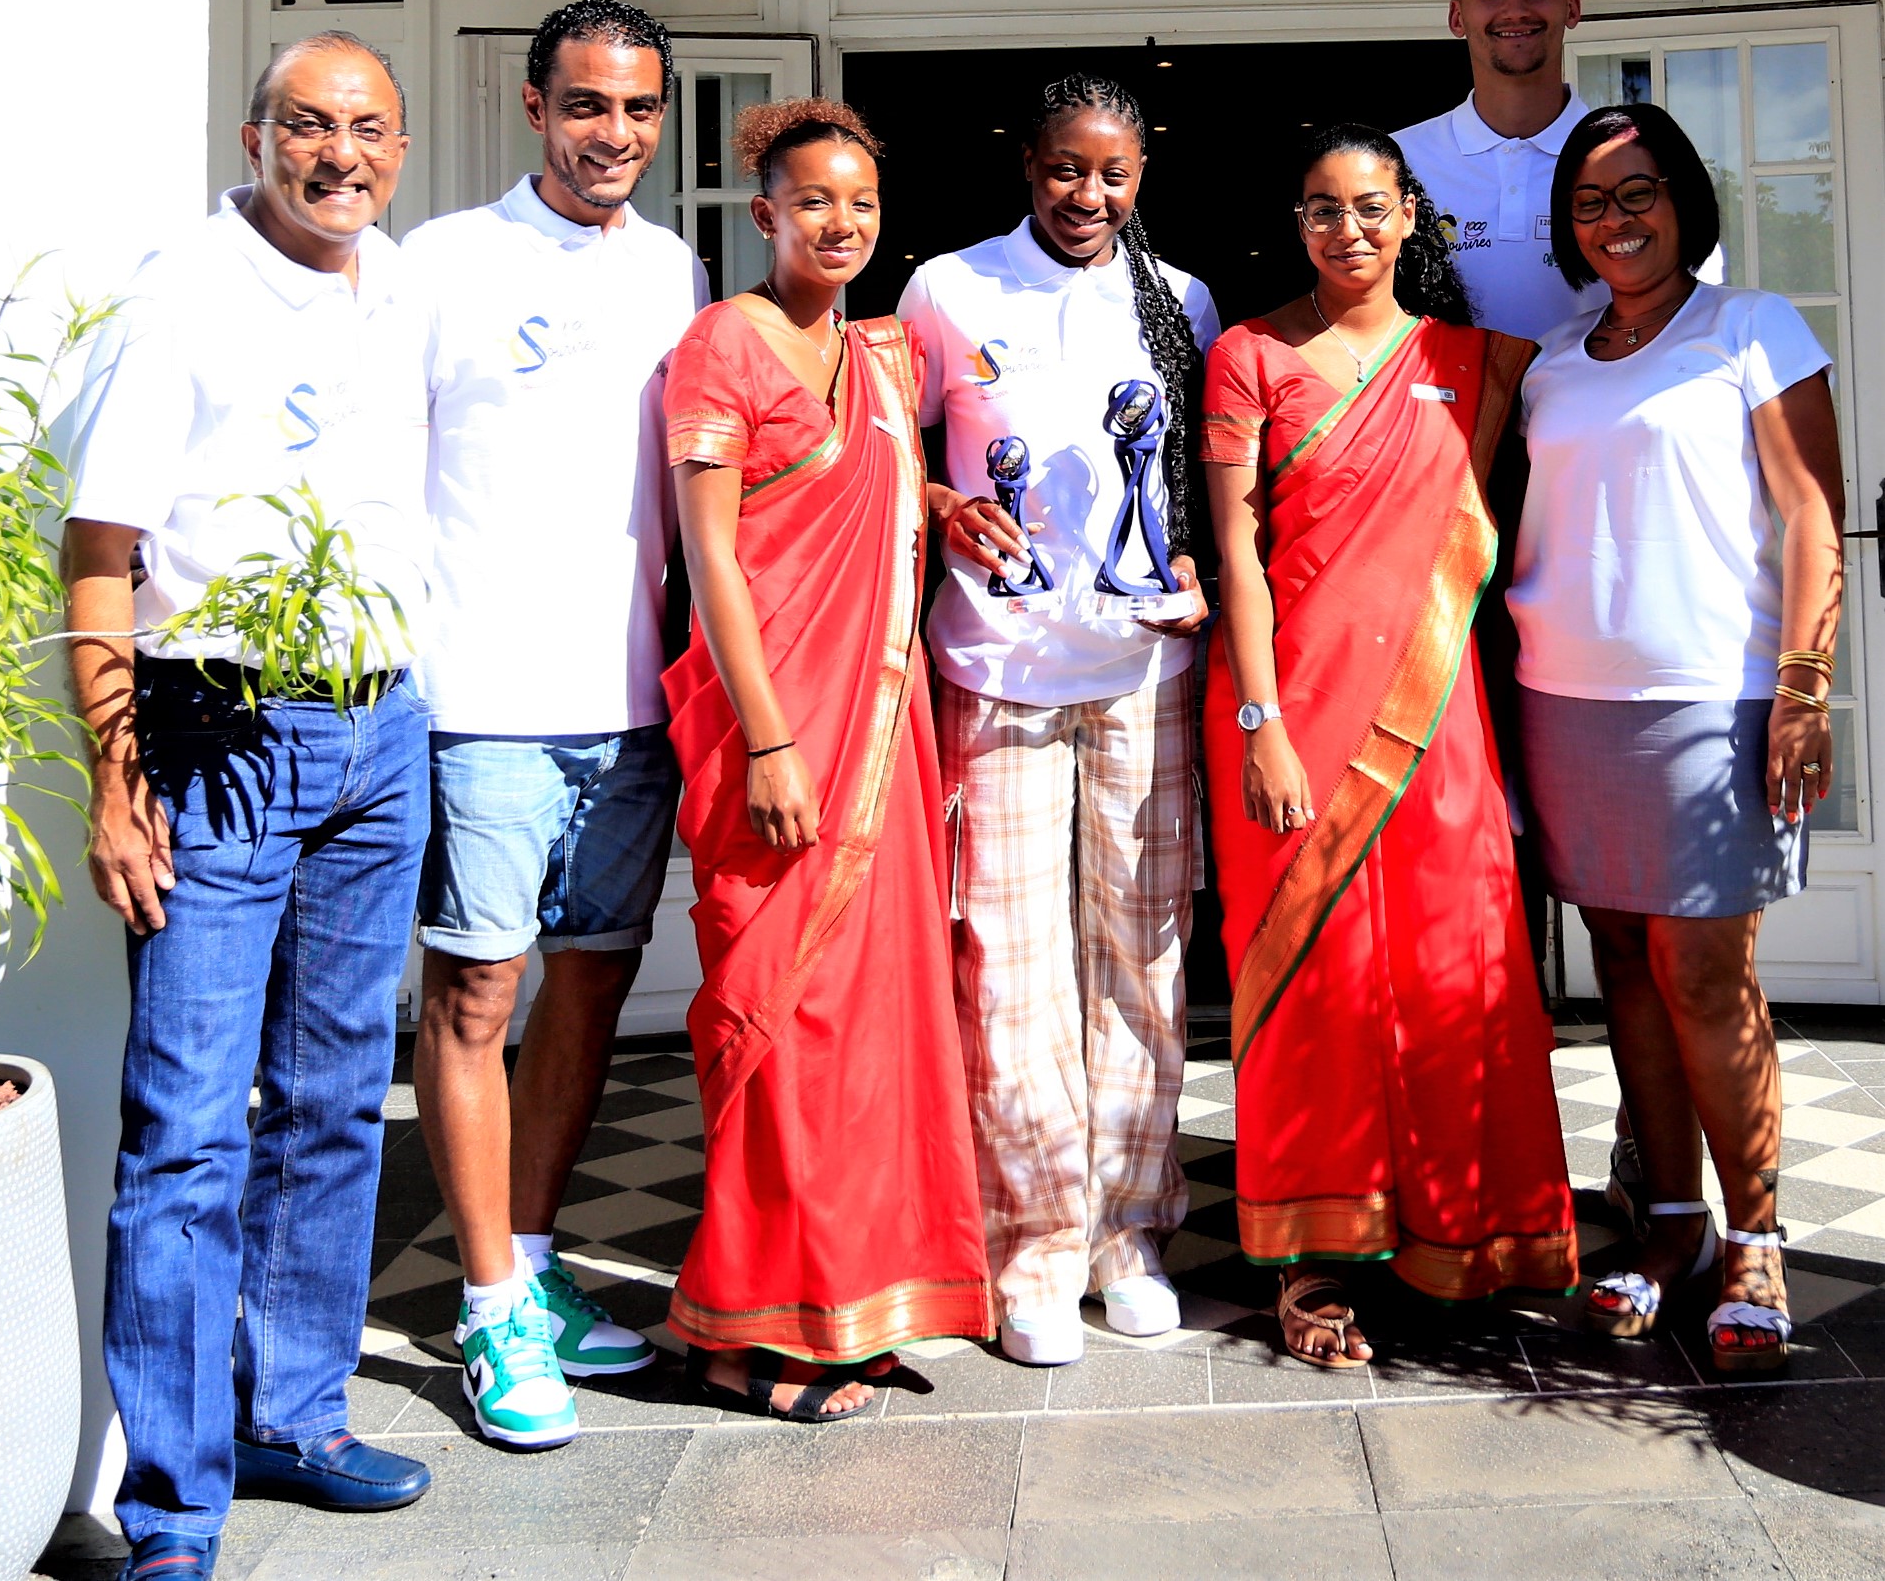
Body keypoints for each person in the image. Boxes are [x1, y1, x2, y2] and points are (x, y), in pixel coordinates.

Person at [64, 34, 433, 1581]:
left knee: (343, 1098)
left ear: (398, 150)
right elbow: (100, 548)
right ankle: (172, 1507)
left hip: (381, 724)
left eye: (366, 128)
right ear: (254, 133)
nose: (338, 153)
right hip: (220, 726)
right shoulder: (186, 295)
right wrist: (116, 776)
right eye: (309, 125)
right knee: (191, 1127)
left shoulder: (396, 279)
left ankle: (295, 1411)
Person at [1200, 125, 1577, 1368]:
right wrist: (1259, 723)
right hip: (1288, 716)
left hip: (1435, 722)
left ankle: (1461, 1235)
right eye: (1319, 208)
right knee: (1312, 988)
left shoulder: (1478, 367)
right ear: (1294, 221)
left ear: (1410, 215)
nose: (1344, 230)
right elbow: (1238, 556)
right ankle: (1314, 1255)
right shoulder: (1248, 356)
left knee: (1445, 968)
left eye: (1367, 207)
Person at [402, 0, 707, 1447]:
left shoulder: (673, 266)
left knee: (590, 982)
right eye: (588, 105)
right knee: (474, 995)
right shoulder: (445, 261)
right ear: (535, 109)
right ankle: (481, 1303)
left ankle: (529, 1258)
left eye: (639, 109)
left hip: (630, 697)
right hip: (483, 700)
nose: (616, 136)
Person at [661, 98, 994, 1420]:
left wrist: (949, 503)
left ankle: (846, 1298)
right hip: (779, 735)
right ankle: (741, 1331)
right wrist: (771, 738)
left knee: (874, 1028)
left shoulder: (887, 352)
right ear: (764, 215)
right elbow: (714, 556)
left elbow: (874, 488)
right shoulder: (717, 350)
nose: (840, 222)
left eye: (859, 202)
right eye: (814, 201)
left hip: (881, 721)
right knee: (781, 1022)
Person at [1512, 103, 1843, 1373]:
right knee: (1626, 971)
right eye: (1590, 202)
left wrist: (1804, 684)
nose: (1615, 218)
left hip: (1714, 698)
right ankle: (1667, 1227)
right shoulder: (1550, 359)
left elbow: (1810, 509)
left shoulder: (1747, 326)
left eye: (1637, 191)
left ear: (1682, 198)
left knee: (1707, 973)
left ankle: (1755, 1233)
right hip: (1568, 698)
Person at [898, 74, 1217, 1366]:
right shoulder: (947, 290)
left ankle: (1131, 1232)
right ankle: (1033, 1242)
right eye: (1066, 169)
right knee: (1013, 965)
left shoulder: (1181, 300)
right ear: (1026, 162)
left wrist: (1189, 568)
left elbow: (1193, 485)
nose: (1089, 195)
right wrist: (937, 499)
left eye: (1114, 173)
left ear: (1143, 174)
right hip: (999, 663)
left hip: (1144, 672)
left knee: (1143, 954)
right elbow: (885, 448)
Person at [1394, 0, 1594, 343]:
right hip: (1441, 406)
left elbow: (1679, 307)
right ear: (1457, 16)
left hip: (1600, 405)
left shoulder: (1625, 156)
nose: (1515, 9)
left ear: (1572, 8)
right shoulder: (1395, 162)